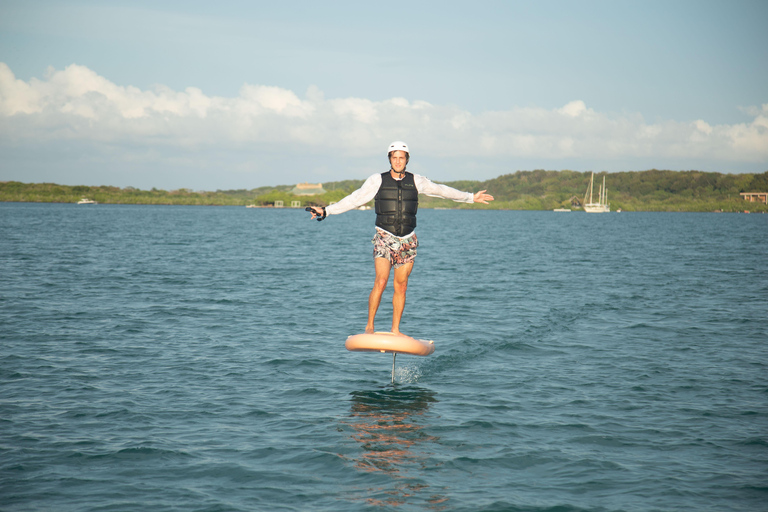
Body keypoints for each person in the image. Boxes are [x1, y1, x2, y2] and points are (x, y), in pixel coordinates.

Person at [307, 141, 493, 337]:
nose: (397, 161)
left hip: (407, 239)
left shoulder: (417, 181)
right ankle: (369, 326)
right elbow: (355, 199)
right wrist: (327, 211)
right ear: (389, 159)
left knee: (401, 286)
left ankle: (395, 330)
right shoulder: (377, 180)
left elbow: (442, 190)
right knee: (381, 280)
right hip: (384, 236)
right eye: (394, 157)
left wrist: (470, 197)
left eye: (401, 157)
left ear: (407, 160)